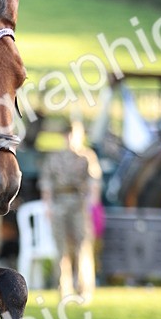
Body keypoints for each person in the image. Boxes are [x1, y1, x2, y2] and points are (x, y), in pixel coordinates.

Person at [40, 119, 102, 300]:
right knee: (61, 248)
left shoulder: (87, 157)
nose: (70, 137)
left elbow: (94, 183)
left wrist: (92, 205)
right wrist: (48, 206)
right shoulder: (54, 157)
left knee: (82, 246)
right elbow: (46, 183)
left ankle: (84, 288)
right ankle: (63, 288)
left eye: (73, 133)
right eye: (67, 134)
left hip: (79, 203)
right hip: (59, 203)